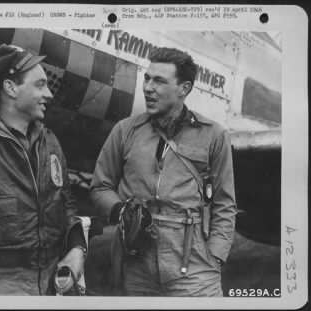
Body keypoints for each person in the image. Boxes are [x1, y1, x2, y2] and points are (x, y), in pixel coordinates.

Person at [90, 47, 237, 296]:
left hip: (194, 266)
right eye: (147, 78)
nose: (147, 87)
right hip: (136, 262)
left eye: (159, 81)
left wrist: (217, 255)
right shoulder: (124, 131)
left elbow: (224, 202)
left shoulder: (214, 135)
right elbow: (100, 186)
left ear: (184, 88)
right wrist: (120, 210)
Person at [0, 44, 87, 295]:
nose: (50, 95)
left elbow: (66, 201)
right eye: (40, 85)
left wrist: (76, 249)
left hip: (52, 283)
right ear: (10, 88)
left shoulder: (49, 140)